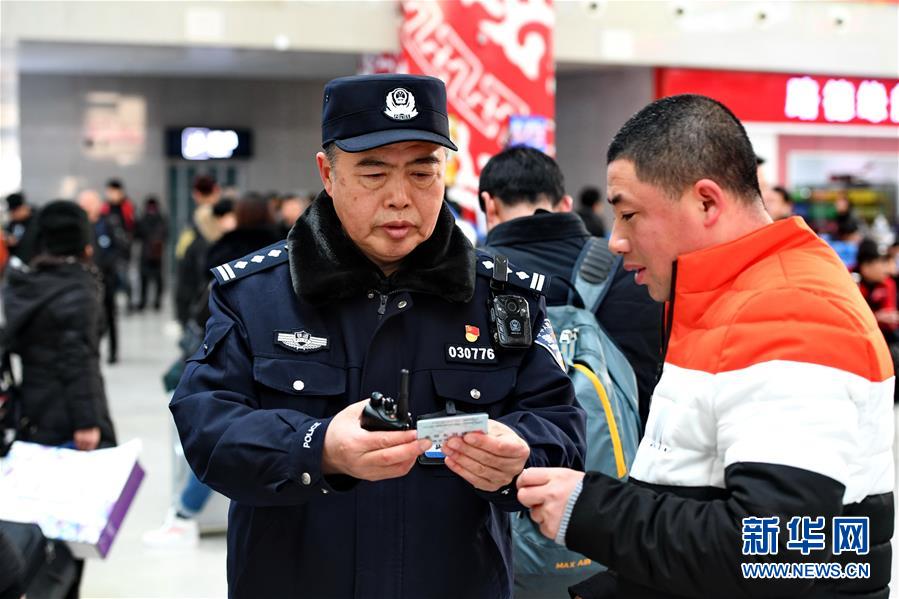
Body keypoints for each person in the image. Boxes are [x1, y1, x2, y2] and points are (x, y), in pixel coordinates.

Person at [171, 73, 586, 599]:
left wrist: (522, 454)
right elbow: (206, 427)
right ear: (327, 172)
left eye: (422, 173)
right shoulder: (256, 296)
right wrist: (316, 448)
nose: (399, 198)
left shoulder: (503, 298)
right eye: (373, 173)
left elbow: (564, 430)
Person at [517, 94, 894, 598]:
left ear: (706, 202)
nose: (615, 240)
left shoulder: (789, 311)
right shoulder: (734, 297)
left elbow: (774, 550)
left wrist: (588, 510)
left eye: (629, 214)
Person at [480, 146, 661, 425]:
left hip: (520, 461)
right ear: (565, 204)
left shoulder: (474, 277)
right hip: (623, 461)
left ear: (489, 205)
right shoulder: (633, 268)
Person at [1, 200, 118, 599]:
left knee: (40, 514)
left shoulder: (25, 282)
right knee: (71, 522)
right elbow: (77, 359)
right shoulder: (78, 287)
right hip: (70, 417)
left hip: (32, 412)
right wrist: (88, 422)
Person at [79, 189, 121, 364]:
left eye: (91, 203)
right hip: (84, 280)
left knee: (110, 314)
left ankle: (113, 351)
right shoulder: (79, 227)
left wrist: (109, 265)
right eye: (84, 204)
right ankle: (90, 347)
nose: (88, 207)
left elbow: (119, 247)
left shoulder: (108, 223)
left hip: (106, 278)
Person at [174, 175, 222, 327]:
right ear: (215, 190)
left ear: (196, 194)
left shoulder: (204, 216)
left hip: (196, 281)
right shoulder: (210, 215)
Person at [102, 178, 136, 310]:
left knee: (125, 277)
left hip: (124, 250)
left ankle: (129, 303)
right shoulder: (105, 207)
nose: (111, 194)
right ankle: (112, 304)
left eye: (113, 191)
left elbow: (133, 226)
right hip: (108, 249)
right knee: (110, 278)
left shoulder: (127, 207)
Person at [135, 196, 168, 311]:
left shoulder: (155, 219)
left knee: (155, 279)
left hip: (154, 254)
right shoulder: (157, 219)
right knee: (147, 279)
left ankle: (154, 302)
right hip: (149, 254)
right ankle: (150, 302)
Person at [3, 192, 37, 266]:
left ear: (23, 208)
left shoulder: (37, 222)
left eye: (14, 212)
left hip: (33, 265)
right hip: (15, 264)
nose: (12, 215)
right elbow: (7, 234)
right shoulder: (13, 223)